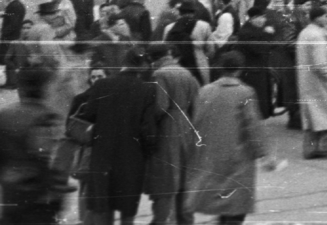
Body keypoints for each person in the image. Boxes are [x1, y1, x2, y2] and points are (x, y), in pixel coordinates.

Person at [71, 50, 160, 225]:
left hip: (102, 155)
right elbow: (147, 129)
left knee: (103, 206)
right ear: (141, 67)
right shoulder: (148, 89)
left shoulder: (102, 85)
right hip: (132, 158)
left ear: (123, 62)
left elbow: (89, 115)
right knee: (128, 207)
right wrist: (150, 151)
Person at [187, 52, 269, 225]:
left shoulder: (205, 91)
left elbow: (196, 121)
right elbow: (252, 125)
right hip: (237, 156)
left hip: (211, 155)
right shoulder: (245, 92)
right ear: (240, 69)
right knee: (235, 204)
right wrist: (263, 153)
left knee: (218, 200)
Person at [0, 64, 66, 223]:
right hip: (37, 201)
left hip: (10, 196)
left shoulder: (5, 114)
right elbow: (47, 161)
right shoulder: (45, 118)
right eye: (51, 85)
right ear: (42, 88)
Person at [146, 44, 201, 225]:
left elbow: (160, 106)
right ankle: (186, 221)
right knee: (185, 179)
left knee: (166, 180)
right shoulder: (186, 73)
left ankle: (161, 221)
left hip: (168, 128)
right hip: (187, 126)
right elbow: (197, 105)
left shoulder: (159, 74)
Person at [295, 5, 327, 159]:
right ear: (317, 17)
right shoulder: (317, 35)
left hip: (307, 81)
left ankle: (310, 150)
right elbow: (321, 64)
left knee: (312, 117)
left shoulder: (305, 32)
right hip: (320, 82)